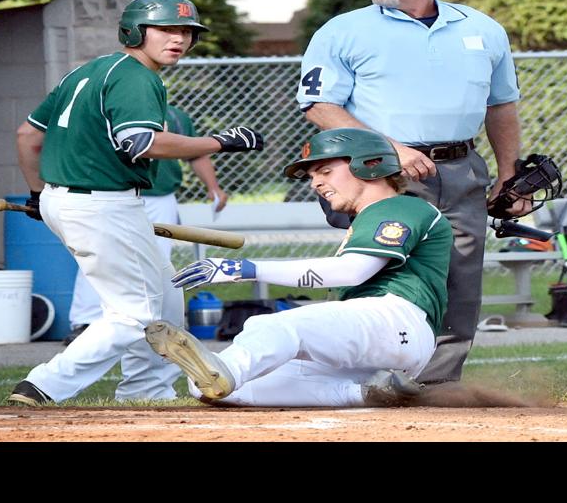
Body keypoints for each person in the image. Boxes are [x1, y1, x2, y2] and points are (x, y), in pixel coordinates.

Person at [6, 0, 265, 407]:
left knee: (166, 294)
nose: (178, 39)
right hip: (102, 204)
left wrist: (38, 194)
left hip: (80, 199)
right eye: (165, 29)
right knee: (134, 314)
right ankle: (44, 384)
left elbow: (27, 136)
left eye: (185, 31)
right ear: (134, 32)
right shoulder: (136, 76)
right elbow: (140, 143)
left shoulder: (88, 71)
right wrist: (217, 141)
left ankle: (147, 391)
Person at [297, 0, 522, 386]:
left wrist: (509, 171)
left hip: (460, 167)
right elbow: (319, 106)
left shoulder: (483, 29)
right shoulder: (343, 30)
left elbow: (501, 106)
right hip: (379, 170)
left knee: (460, 275)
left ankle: (435, 385)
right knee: (380, 270)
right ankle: (366, 377)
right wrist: (391, 149)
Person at [145, 127, 450, 408]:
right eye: (313, 176)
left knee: (269, 327)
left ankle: (229, 370)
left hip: (394, 321)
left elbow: (352, 271)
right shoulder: (372, 216)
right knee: (211, 388)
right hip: (374, 340)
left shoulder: (399, 206)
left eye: (326, 171)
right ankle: (369, 392)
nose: (316, 183)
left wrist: (246, 269)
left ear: (370, 165)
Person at [62, 103, 227, 353]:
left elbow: (196, 154)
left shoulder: (174, 115)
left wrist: (213, 187)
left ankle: (151, 321)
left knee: (157, 260)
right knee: (98, 254)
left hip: (160, 196)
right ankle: (85, 321)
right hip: (114, 193)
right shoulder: (108, 112)